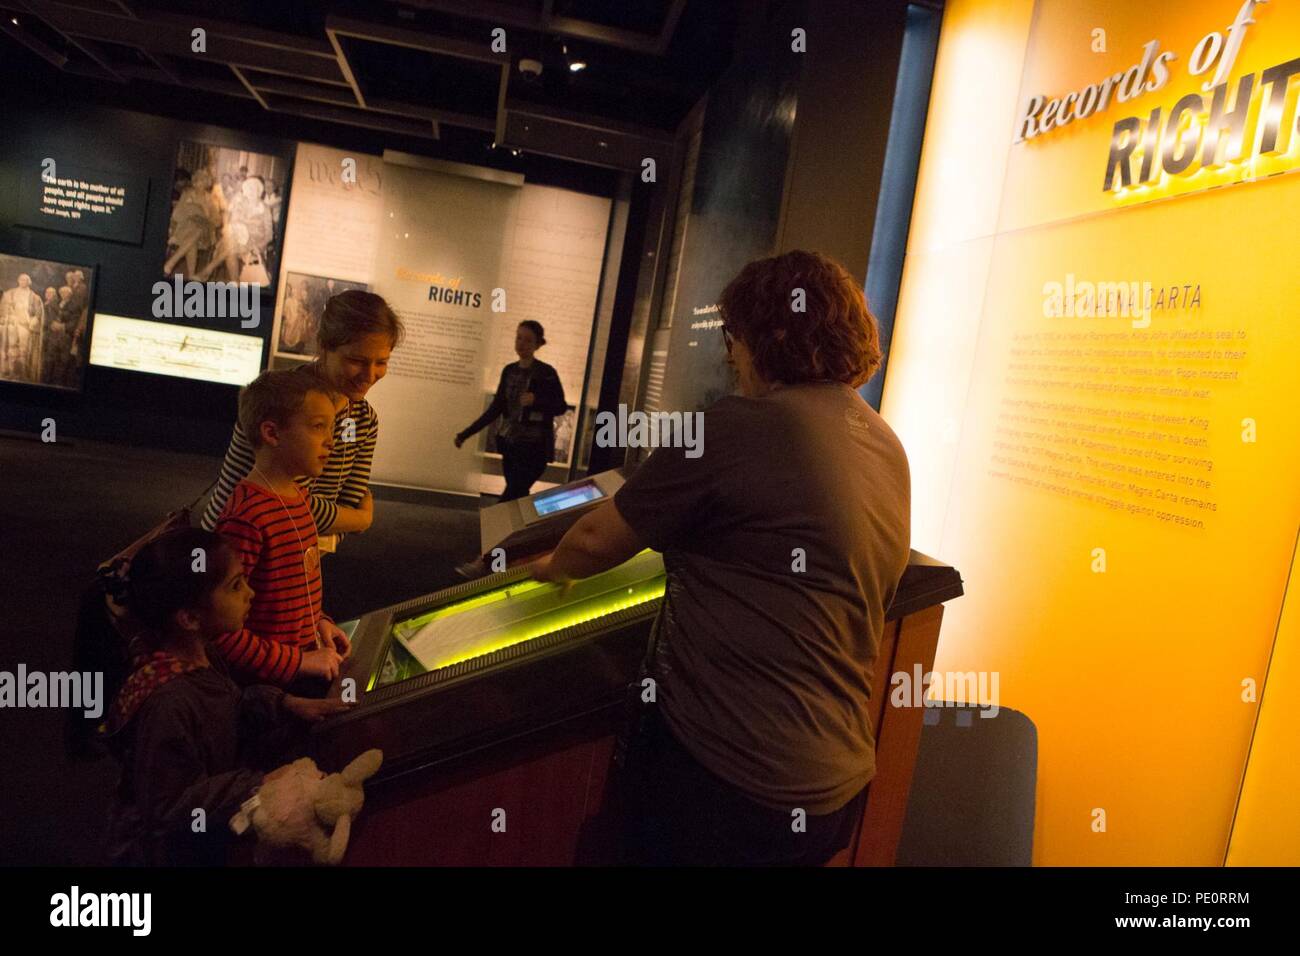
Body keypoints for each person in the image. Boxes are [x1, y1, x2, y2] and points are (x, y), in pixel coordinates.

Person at [532, 250, 912, 866]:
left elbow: (596, 541)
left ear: (772, 334)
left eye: (733, 338)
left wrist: (550, 569)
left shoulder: (740, 425)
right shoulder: (883, 440)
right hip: (833, 782)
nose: (731, 356)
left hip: (731, 778)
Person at [100, 527, 349, 866]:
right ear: (189, 617)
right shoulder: (167, 703)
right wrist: (254, 784)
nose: (251, 593)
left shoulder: (203, 654)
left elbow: (227, 704)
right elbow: (170, 808)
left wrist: (282, 703)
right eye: (235, 586)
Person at [201, 290, 402, 552]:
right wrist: (361, 519)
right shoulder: (280, 400)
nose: (370, 374)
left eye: (381, 362)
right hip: (231, 551)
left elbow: (350, 498)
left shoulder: (362, 420)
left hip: (293, 553)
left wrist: (347, 520)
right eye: (356, 360)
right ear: (323, 346)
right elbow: (288, 501)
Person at [210, 367, 353, 690]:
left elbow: (295, 584)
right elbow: (219, 628)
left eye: (332, 428)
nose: (331, 442)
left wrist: (319, 622)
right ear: (272, 433)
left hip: (295, 671)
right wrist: (299, 661)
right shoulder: (247, 517)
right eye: (318, 427)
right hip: (264, 690)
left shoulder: (299, 497)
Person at [454, 320, 568, 501]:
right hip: (511, 444)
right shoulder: (509, 370)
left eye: (528, 340)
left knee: (513, 492)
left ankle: (496, 524)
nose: (521, 343)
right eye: (519, 337)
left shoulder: (546, 373)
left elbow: (560, 406)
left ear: (537, 344)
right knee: (518, 494)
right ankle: (514, 528)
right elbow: (496, 408)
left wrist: (537, 400)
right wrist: (466, 433)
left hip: (534, 447)